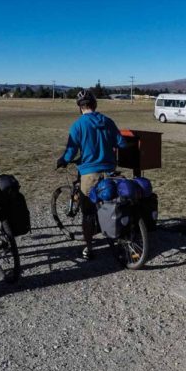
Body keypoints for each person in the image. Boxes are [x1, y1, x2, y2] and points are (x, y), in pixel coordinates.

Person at [56, 91, 126, 260]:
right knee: (114, 205)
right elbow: (122, 143)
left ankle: (88, 248)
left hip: (90, 174)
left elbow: (71, 151)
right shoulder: (108, 121)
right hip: (110, 172)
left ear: (80, 108)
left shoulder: (78, 125)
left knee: (87, 213)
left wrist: (63, 160)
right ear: (95, 105)